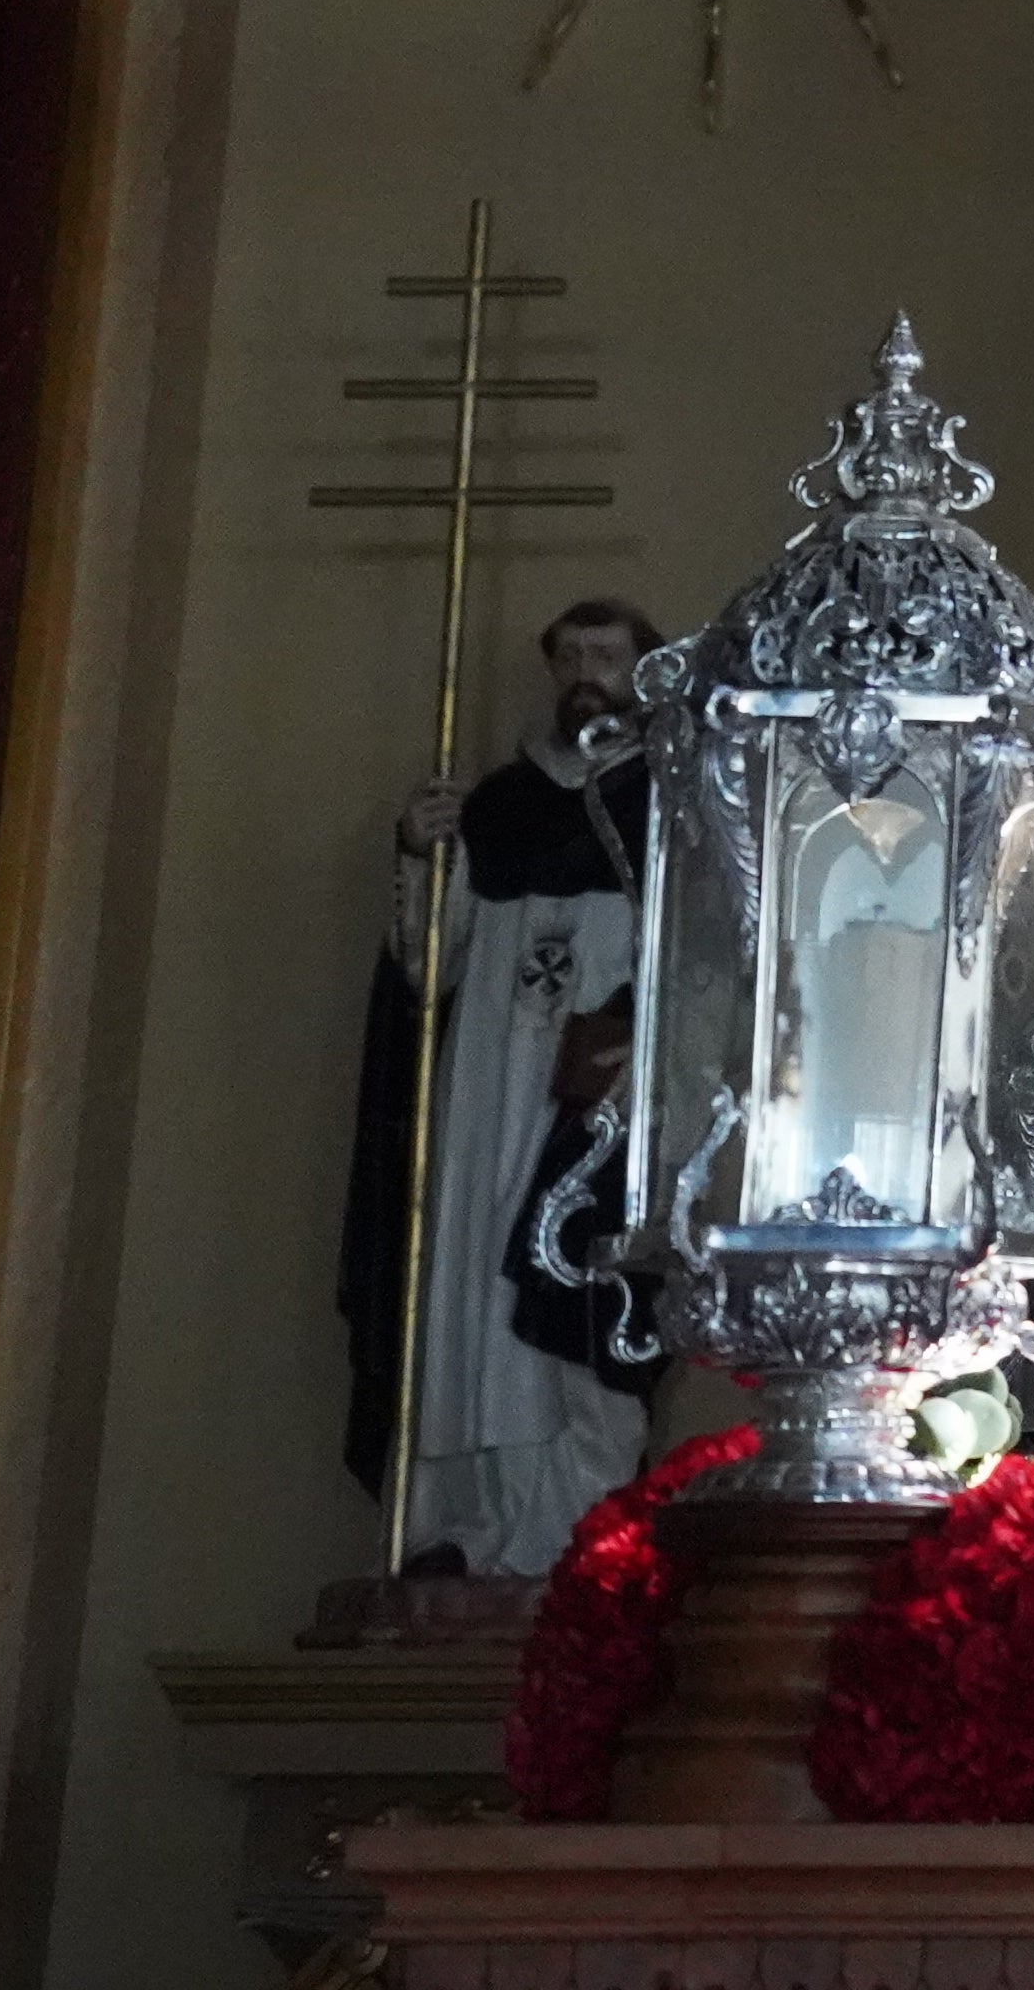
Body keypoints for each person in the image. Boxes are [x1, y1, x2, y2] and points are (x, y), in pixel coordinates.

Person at [338, 595, 659, 1575]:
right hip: (486, 1088)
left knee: (575, 1293)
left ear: (643, 670)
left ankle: (576, 1526)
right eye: (567, 656)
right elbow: (428, 968)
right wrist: (422, 857)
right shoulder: (493, 807)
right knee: (470, 1291)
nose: (583, 673)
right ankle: (466, 1530)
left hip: (596, 1103)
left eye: (604, 655)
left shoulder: (678, 802)